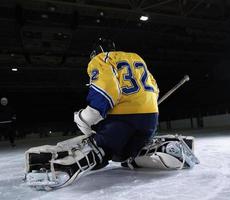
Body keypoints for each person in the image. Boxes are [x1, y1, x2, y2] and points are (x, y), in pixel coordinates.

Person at [24, 38, 198, 190]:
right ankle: (164, 147)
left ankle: (61, 168)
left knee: (101, 147)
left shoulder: (101, 59)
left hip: (121, 120)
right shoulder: (136, 58)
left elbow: (107, 90)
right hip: (150, 117)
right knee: (127, 155)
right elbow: (155, 89)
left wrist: (87, 116)